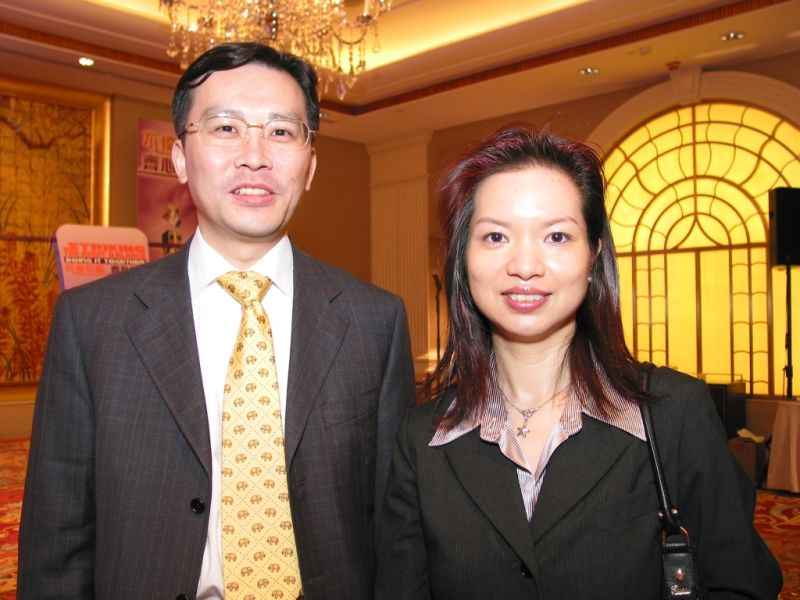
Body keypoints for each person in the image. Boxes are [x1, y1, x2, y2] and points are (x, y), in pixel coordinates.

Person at [19, 43, 416, 600]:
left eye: (281, 131)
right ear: (181, 157)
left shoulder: (374, 322)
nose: (255, 156)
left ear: (310, 165)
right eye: (226, 128)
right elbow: (57, 540)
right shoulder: (92, 324)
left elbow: (396, 531)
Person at [374, 124, 782, 599]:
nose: (525, 266)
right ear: (463, 259)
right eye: (496, 236)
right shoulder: (422, 438)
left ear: (593, 257)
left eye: (556, 236)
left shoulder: (673, 412)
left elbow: (741, 584)